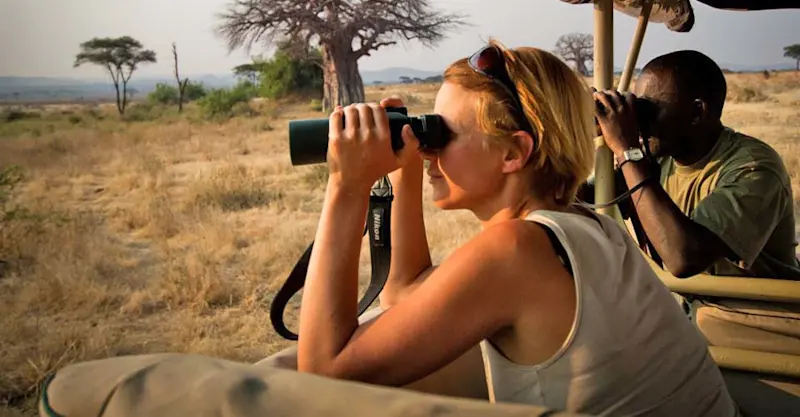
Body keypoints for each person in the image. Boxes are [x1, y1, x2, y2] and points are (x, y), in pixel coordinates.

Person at [295, 39, 739, 416]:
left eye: (441, 135)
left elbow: (322, 373)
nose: (429, 151)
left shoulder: (516, 249)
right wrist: (403, 169)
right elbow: (404, 294)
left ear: (513, 153)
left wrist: (345, 186)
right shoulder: (577, 224)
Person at [590, 50, 800, 359]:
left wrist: (626, 150)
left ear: (696, 112)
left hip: (762, 330)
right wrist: (573, 132)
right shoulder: (658, 159)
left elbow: (682, 257)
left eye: (648, 109)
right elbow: (569, 195)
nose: (639, 121)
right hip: (696, 324)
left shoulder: (754, 167)